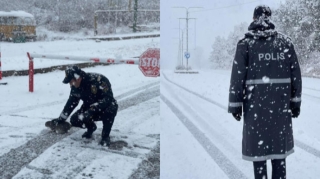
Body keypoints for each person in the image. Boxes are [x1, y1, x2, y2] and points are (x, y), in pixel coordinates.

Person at [228, 5, 302, 179]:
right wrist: (295, 102)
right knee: (279, 154)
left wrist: (235, 105)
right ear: (270, 18)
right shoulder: (285, 43)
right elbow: (295, 75)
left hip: (256, 109)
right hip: (280, 109)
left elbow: (237, 78)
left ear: (254, 18)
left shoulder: (246, 44)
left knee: (259, 154)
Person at [45, 65, 118, 146]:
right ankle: (91, 127)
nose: (70, 84)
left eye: (71, 81)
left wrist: (92, 110)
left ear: (78, 78)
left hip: (106, 106)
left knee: (109, 111)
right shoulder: (75, 86)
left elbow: (108, 99)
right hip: (89, 107)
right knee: (75, 120)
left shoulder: (98, 80)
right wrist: (61, 119)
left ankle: (105, 136)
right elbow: (71, 103)